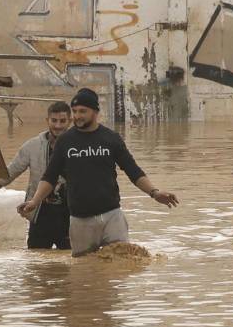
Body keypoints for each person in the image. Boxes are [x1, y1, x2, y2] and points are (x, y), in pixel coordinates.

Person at [20, 88, 178, 256]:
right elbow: (49, 177)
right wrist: (35, 201)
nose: (77, 116)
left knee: (121, 263)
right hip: (80, 220)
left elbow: (134, 171)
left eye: (83, 111)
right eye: (74, 111)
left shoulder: (111, 138)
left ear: (95, 112)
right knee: (84, 271)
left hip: (112, 216)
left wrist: (154, 193)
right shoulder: (65, 141)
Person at [0, 101, 72, 249]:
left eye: (62, 121)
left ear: (70, 121)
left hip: (70, 212)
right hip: (39, 211)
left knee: (72, 259)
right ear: (47, 121)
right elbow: (13, 170)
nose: (58, 125)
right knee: (36, 259)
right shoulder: (33, 145)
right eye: (54, 120)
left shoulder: (78, 146)